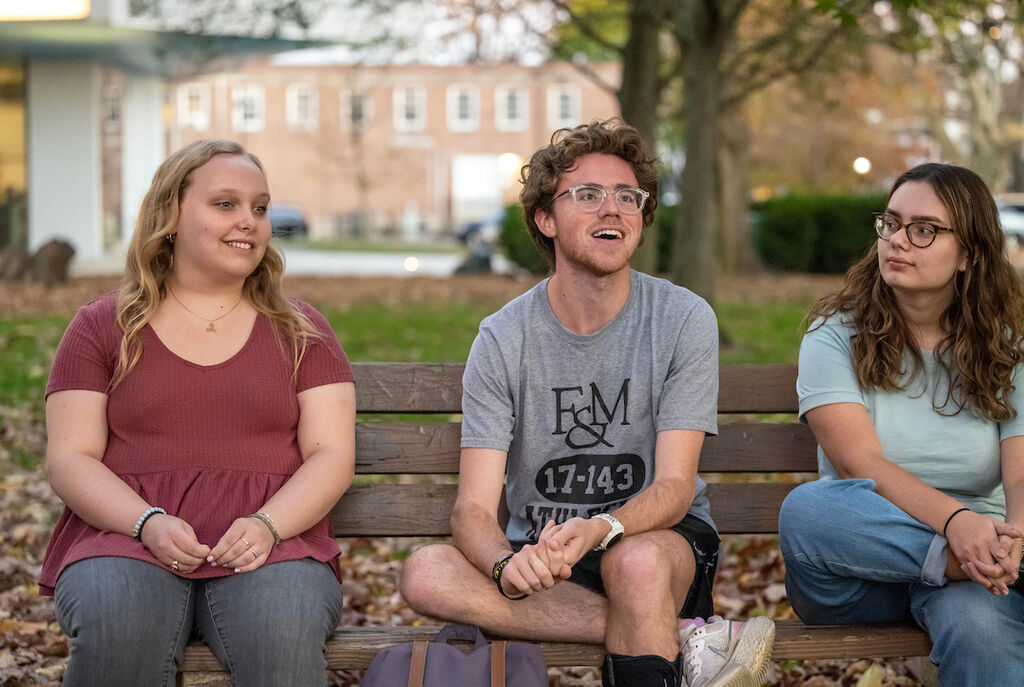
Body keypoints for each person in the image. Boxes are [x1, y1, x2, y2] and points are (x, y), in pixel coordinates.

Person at [399, 119, 774, 687]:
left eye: (628, 196)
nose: (613, 209)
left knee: (636, 565)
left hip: (658, 541)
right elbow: (473, 511)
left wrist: (602, 527)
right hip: (546, 556)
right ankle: (690, 635)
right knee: (426, 572)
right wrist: (506, 564)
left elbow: (674, 490)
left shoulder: (682, 319)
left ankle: (656, 615)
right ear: (545, 220)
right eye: (588, 195)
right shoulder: (503, 339)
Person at [778, 162, 1024, 686]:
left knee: (982, 630)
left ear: (969, 254)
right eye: (890, 223)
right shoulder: (833, 336)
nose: (898, 241)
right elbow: (860, 463)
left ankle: (999, 568)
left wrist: (1012, 545)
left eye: (924, 230)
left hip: (978, 577)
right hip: (855, 577)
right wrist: (956, 527)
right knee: (807, 510)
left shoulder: (1013, 358)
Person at [40, 139, 356, 687]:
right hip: (125, 537)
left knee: (281, 630)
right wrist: (146, 522)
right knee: (119, 621)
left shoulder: (302, 331)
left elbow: (331, 455)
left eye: (259, 208)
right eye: (225, 204)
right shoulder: (101, 327)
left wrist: (266, 525)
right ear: (169, 217)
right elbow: (71, 459)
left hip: (270, 546)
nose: (250, 222)